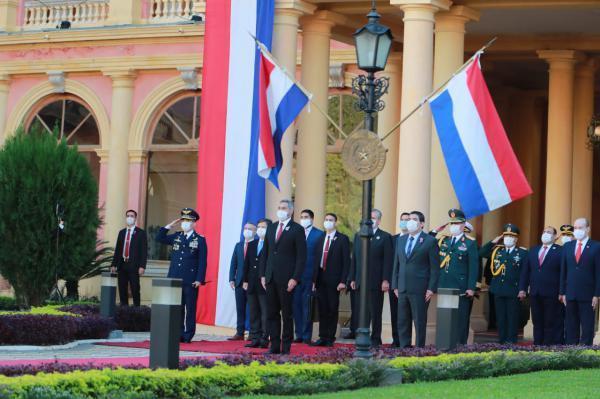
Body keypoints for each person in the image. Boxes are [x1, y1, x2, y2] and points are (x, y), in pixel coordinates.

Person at [259, 199, 306, 354]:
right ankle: (274, 345)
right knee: (271, 313)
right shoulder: (271, 228)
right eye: (279, 207)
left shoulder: (297, 229)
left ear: (291, 211)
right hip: (271, 278)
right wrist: (263, 275)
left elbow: (301, 257)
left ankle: (286, 347)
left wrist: (295, 278)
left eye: (284, 208)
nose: (280, 210)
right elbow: (265, 253)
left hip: (287, 279)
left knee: (286, 314)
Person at [156, 208, 207, 343]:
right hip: (175, 278)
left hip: (190, 280)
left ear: (194, 223)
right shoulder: (177, 236)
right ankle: (178, 333)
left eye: (188, 221)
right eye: (183, 220)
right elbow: (159, 238)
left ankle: (188, 334)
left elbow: (202, 261)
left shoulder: (200, 240)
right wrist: (169, 226)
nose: (185, 223)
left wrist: (199, 279)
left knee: (190, 308)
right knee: (177, 308)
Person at [391, 211, 439, 348]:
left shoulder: (430, 241)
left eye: (414, 219)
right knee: (402, 321)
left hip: (420, 289)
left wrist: (431, 288)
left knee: (419, 322)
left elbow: (435, 268)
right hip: (402, 288)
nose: (410, 221)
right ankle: (404, 349)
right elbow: (396, 264)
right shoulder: (401, 239)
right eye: (409, 219)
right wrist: (395, 285)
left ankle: (418, 350)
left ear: (422, 224)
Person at [350, 209, 393, 348]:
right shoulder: (358, 235)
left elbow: (388, 261)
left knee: (375, 312)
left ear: (379, 220)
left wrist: (386, 279)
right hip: (360, 281)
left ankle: (375, 339)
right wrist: (352, 278)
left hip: (376, 281)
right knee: (360, 312)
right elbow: (355, 259)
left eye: (374, 218)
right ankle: (361, 337)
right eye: (369, 218)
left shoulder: (385, 237)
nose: (371, 220)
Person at [480, 224, 528, 344]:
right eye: (505, 236)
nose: (507, 238)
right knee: (500, 317)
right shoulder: (497, 251)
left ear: (516, 239)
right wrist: (495, 240)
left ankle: (511, 341)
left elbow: (524, 273)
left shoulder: (522, 253)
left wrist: (523, 289)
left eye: (511, 236)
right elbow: (481, 253)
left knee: (512, 317)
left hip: (513, 289)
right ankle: (502, 340)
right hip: (498, 289)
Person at [437, 209, 479, 345]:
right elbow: (429, 241)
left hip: (461, 288)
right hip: (445, 285)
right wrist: (436, 230)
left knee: (460, 320)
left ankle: (460, 346)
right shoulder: (444, 241)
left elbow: (473, 267)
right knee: (445, 319)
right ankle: (444, 346)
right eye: (451, 223)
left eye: (456, 223)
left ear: (463, 225)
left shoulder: (470, 243)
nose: (453, 226)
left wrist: (471, 287)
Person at [518, 226, 564, 345]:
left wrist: (562, 291)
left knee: (550, 321)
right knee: (537, 321)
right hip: (535, 292)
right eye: (544, 231)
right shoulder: (534, 250)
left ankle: (547, 346)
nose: (545, 234)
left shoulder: (560, 251)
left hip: (552, 293)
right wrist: (522, 288)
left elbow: (563, 272)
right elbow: (525, 271)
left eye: (549, 232)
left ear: (555, 236)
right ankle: (537, 345)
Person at [311, 213, 350, 346]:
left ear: (335, 222)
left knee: (332, 308)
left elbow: (346, 262)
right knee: (322, 308)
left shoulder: (342, 239)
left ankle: (330, 337)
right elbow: (315, 260)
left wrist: (343, 281)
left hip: (335, 280)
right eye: (326, 220)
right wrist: (314, 280)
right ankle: (322, 336)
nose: (328, 222)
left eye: (331, 220)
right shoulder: (320, 238)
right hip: (320, 278)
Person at [559, 218, 600, 346]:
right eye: (575, 228)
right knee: (571, 325)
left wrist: (596, 294)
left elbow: (598, 272)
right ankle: (571, 352)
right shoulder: (567, 246)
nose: (577, 230)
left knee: (587, 326)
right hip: (570, 293)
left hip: (588, 294)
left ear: (587, 229)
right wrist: (562, 292)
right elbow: (563, 271)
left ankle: (585, 353)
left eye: (580, 228)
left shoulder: (596, 246)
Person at [293, 209, 324, 344]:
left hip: (310, 276)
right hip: (295, 276)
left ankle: (306, 336)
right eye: (301, 217)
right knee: (296, 306)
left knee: (307, 307)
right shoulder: (296, 233)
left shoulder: (319, 235)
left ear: (312, 219)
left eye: (306, 217)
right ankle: (298, 334)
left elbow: (319, 258)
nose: (303, 219)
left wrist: (315, 278)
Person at [243, 219, 271, 348]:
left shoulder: (271, 244)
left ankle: (265, 339)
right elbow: (246, 264)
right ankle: (255, 338)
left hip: (265, 284)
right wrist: (245, 280)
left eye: (263, 227)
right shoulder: (252, 244)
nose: (260, 229)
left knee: (265, 313)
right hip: (252, 283)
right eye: (259, 227)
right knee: (253, 312)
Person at [111, 210, 148, 307]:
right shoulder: (122, 232)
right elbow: (118, 250)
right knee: (122, 289)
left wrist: (142, 266)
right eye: (128, 216)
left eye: (132, 216)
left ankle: (137, 310)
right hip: (122, 265)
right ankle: (124, 310)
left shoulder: (141, 233)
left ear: (135, 218)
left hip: (134, 266)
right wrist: (113, 264)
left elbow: (144, 251)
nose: (129, 218)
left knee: (135, 289)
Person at [228, 222, 256, 341]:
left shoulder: (256, 245)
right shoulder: (238, 245)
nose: (247, 231)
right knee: (240, 308)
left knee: (253, 309)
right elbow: (233, 263)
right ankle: (240, 332)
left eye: (250, 229)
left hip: (252, 282)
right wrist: (231, 278)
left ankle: (252, 332)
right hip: (239, 282)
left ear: (255, 232)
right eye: (245, 228)